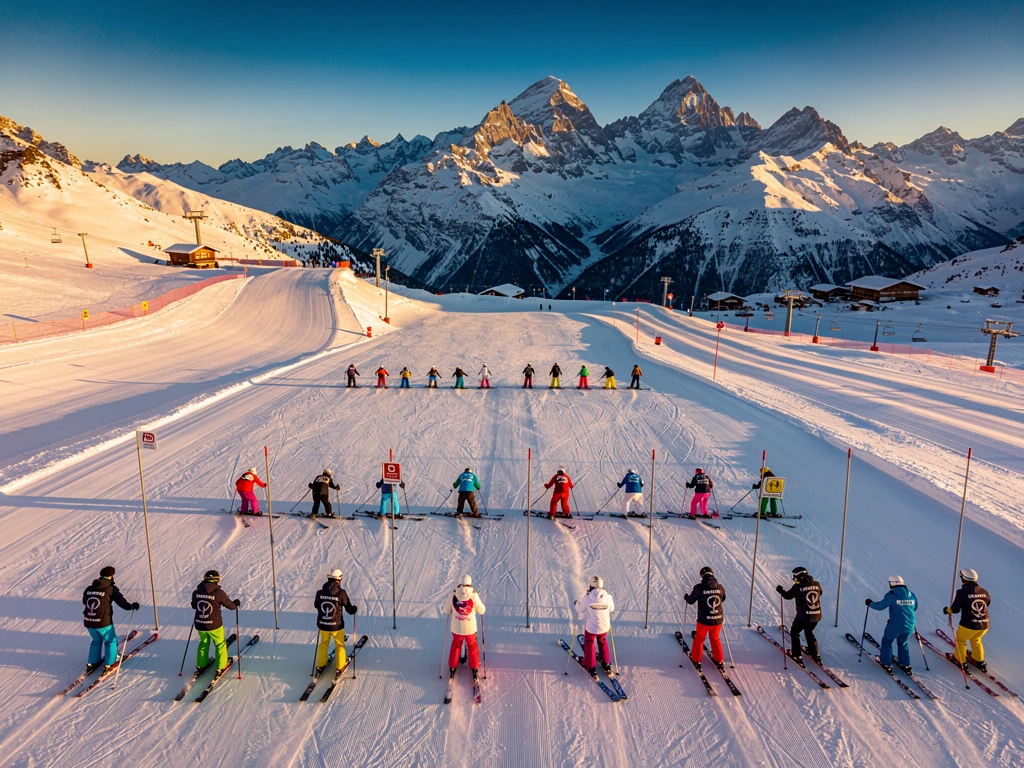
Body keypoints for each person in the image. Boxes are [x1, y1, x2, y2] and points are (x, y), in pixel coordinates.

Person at [82, 565, 139, 674]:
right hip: (103, 622)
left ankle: (92, 662)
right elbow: (122, 602)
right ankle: (110, 662)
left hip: (89, 621)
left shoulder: (89, 588)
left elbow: (85, 601)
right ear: (112, 576)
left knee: (96, 640)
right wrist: (131, 606)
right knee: (110, 641)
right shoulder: (110, 589)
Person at [866, 575, 918, 674]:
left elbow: (880, 606)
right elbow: (914, 608)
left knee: (887, 641)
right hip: (910, 625)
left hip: (896, 625)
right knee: (903, 643)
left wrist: (870, 603)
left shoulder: (892, 595)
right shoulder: (911, 595)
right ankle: (905, 664)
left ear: (892, 583)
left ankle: (886, 663)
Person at [191, 570, 241, 674]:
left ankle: (201, 664)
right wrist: (235, 604)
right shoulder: (219, 593)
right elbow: (230, 606)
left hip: (200, 624)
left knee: (203, 642)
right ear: (217, 580)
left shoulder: (196, 592)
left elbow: (194, 605)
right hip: (214, 625)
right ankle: (221, 667)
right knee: (220, 644)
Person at [944, 568, 991, 672]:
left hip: (968, 625)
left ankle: (959, 660)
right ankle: (979, 661)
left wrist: (947, 610)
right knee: (976, 640)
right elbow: (987, 604)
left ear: (963, 579)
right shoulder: (984, 592)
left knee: (961, 641)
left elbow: (955, 609)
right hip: (984, 625)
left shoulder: (962, 592)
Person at [443, 575, 486, 685]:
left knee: (456, 645)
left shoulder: (453, 594)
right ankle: (474, 668)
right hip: (470, 629)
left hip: (456, 629)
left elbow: (446, 610)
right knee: (472, 646)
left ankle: (452, 668)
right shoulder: (473, 594)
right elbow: (481, 610)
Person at [314, 569, 358, 675]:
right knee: (339, 645)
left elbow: (316, 605)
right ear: (339, 579)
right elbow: (349, 609)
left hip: (323, 625)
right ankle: (340, 666)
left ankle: (320, 665)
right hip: (336, 626)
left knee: (323, 644)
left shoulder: (319, 593)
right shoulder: (341, 593)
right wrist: (354, 609)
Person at [776, 566, 823, 664]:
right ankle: (814, 653)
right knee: (809, 631)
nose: (794, 579)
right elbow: (820, 592)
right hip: (816, 616)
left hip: (804, 617)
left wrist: (780, 590)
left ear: (799, 576)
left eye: (794, 576)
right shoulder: (816, 584)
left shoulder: (798, 587)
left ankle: (796, 655)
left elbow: (788, 596)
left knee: (794, 632)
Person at [684, 566, 726, 671]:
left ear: (702, 576)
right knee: (715, 638)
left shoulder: (699, 587)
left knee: (699, 639)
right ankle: (719, 660)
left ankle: (696, 660)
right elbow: (722, 598)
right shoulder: (720, 587)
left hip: (704, 620)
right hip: (717, 619)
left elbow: (690, 601)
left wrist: (686, 597)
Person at [574, 576, 616, 676]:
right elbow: (612, 609)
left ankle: (590, 665)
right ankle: (606, 663)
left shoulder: (588, 598)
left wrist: (576, 603)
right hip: (604, 627)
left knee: (589, 643)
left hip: (591, 629)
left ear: (591, 586)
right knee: (602, 641)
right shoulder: (608, 597)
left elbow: (579, 610)